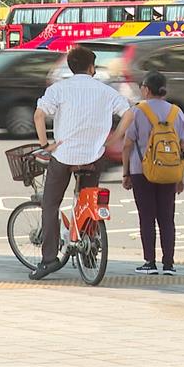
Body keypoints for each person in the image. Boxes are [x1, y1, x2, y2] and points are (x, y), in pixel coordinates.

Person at [30, 46, 134, 281]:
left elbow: (39, 115)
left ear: (71, 66)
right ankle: (88, 254)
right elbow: (128, 113)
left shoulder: (59, 89)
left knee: (51, 204)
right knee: (87, 200)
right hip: (94, 156)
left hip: (63, 155)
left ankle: (49, 260)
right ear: (90, 68)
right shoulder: (104, 91)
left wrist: (45, 143)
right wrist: (115, 138)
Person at [122, 71, 184, 276]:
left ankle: (149, 262)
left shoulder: (137, 111)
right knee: (167, 217)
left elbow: (127, 144)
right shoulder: (176, 112)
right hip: (169, 170)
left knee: (147, 216)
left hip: (141, 171)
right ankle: (168, 264)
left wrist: (126, 173)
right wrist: (180, 175)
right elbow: (183, 145)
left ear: (146, 89)